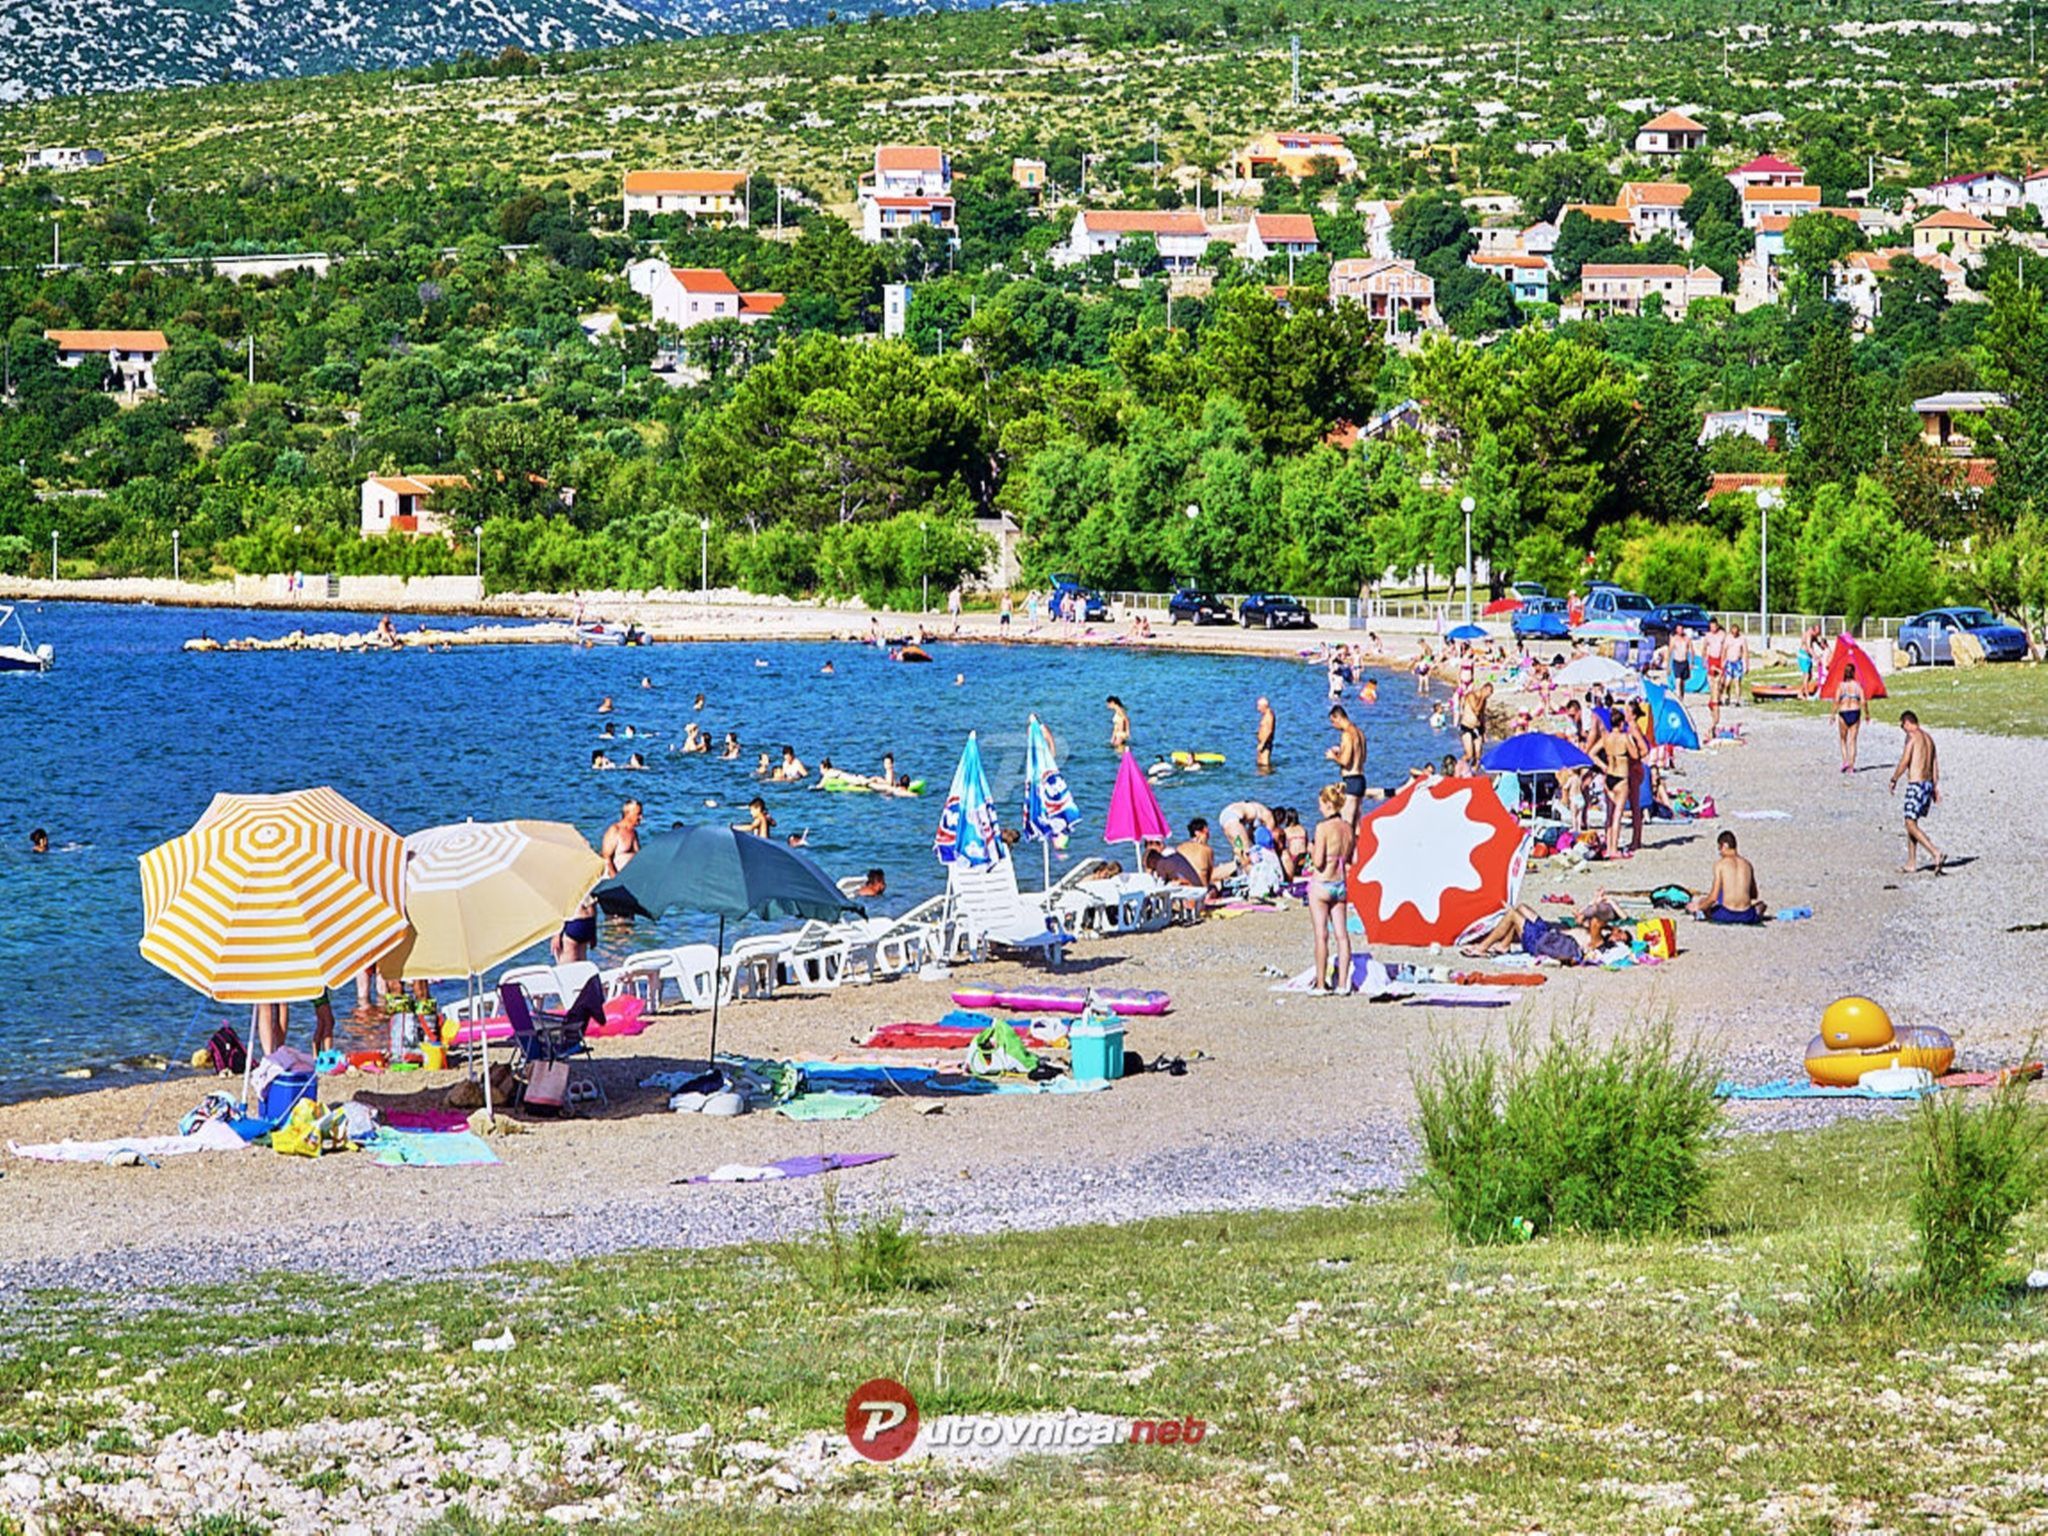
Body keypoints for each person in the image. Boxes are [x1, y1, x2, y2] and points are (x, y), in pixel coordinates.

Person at [1306, 784, 1355, 993]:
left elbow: (1318, 862)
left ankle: (1320, 984)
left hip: (1322, 884)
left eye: (1320, 805)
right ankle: (1343, 984)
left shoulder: (1322, 828)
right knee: (1342, 936)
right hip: (1340, 883)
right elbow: (1351, 858)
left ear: (1328, 804)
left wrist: (1312, 849)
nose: (1319, 809)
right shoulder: (1347, 828)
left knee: (1321, 935)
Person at [1889, 710, 1944, 875]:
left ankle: (1935, 852)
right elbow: (1935, 764)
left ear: (1907, 722)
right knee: (1911, 822)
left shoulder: (1913, 737)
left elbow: (1905, 760)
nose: (1903, 730)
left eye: (1902, 726)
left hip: (1916, 784)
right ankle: (1911, 862)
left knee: (1909, 823)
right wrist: (1934, 787)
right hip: (1927, 784)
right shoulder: (1929, 738)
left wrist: (1894, 778)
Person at [1468, 903, 1616, 965]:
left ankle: (1482, 947)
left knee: (1513, 914)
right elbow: (1593, 916)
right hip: (1548, 934)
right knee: (1521, 907)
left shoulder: (1595, 939)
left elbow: (1602, 920)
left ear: (1598, 922)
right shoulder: (1591, 928)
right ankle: (1504, 945)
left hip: (1542, 942)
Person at [1688, 830, 1767, 923]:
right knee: (1761, 905)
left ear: (1724, 845)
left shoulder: (1720, 864)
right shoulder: (1747, 864)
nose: (1720, 853)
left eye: (1719, 849)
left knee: (1704, 903)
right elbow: (1754, 895)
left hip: (1726, 914)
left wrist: (1698, 907)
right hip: (1747, 915)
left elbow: (1713, 897)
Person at [1326, 704, 1366, 824]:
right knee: (1357, 825)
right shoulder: (1359, 733)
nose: (1334, 726)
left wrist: (1334, 757)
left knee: (1346, 824)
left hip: (1351, 780)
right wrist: (1341, 751)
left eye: (1333, 722)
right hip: (1360, 779)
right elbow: (1361, 757)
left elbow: (1345, 761)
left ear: (1338, 717)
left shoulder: (1346, 734)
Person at [601, 798, 642, 877]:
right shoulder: (615, 830)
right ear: (628, 814)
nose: (641, 817)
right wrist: (615, 880)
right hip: (615, 880)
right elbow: (606, 859)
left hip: (630, 879)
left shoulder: (634, 833)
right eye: (638, 814)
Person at [1835, 669, 1865, 773]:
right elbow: (1863, 701)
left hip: (1843, 712)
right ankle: (1851, 765)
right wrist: (1867, 714)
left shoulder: (1841, 686)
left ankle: (1845, 761)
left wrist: (1832, 714)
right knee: (1853, 740)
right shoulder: (1858, 686)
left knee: (1843, 739)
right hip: (1855, 711)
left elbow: (1836, 701)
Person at [1458, 681, 1492, 769]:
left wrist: (1484, 732)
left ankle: (1472, 773)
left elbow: (1481, 715)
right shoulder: (1471, 696)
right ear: (1484, 689)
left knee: (1478, 756)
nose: (1488, 696)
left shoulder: (1484, 701)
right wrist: (1482, 698)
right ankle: (1457, 769)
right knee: (1469, 755)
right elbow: (1476, 711)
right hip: (1467, 727)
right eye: (1488, 694)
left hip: (1477, 728)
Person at [1179, 817, 1217, 889]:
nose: (1208, 836)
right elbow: (1209, 876)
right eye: (1207, 832)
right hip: (1200, 890)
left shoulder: (1180, 848)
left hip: (1183, 888)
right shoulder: (1207, 850)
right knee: (1215, 887)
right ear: (1198, 833)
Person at [1255, 696, 1276, 771]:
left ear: (1264, 706)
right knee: (1259, 764)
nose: (1258, 709)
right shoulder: (1265, 715)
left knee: (1264, 765)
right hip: (1262, 743)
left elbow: (1269, 730)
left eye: (1259, 706)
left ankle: (1266, 779)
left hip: (1265, 744)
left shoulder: (1269, 716)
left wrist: (1262, 743)